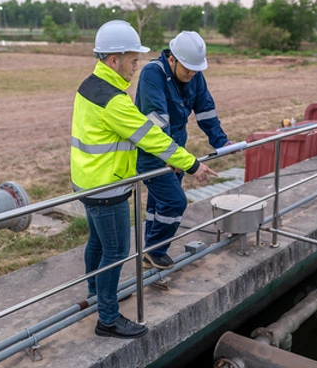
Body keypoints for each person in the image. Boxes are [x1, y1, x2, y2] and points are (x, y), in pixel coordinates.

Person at [70, 21, 217, 339]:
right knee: (116, 251)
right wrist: (192, 164)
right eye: (133, 59)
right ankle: (107, 318)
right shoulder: (115, 101)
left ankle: (98, 293)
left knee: (97, 243)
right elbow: (153, 139)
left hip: (85, 181)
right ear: (114, 60)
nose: (137, 66)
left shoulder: (89, 86)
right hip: (108, 187)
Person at [135, 31, 231, 270]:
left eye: (195, 69)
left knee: (159, 204)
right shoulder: (152, 74)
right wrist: (174, 158)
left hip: (177, 147)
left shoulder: (194, 76)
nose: (191, 73)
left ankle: (149, 254)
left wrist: (220, 141)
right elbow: (157, 122)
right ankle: (155, 251)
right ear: (172, 59)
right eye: (187, 68)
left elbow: (205, 109)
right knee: (174, 202)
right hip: (152, 152)